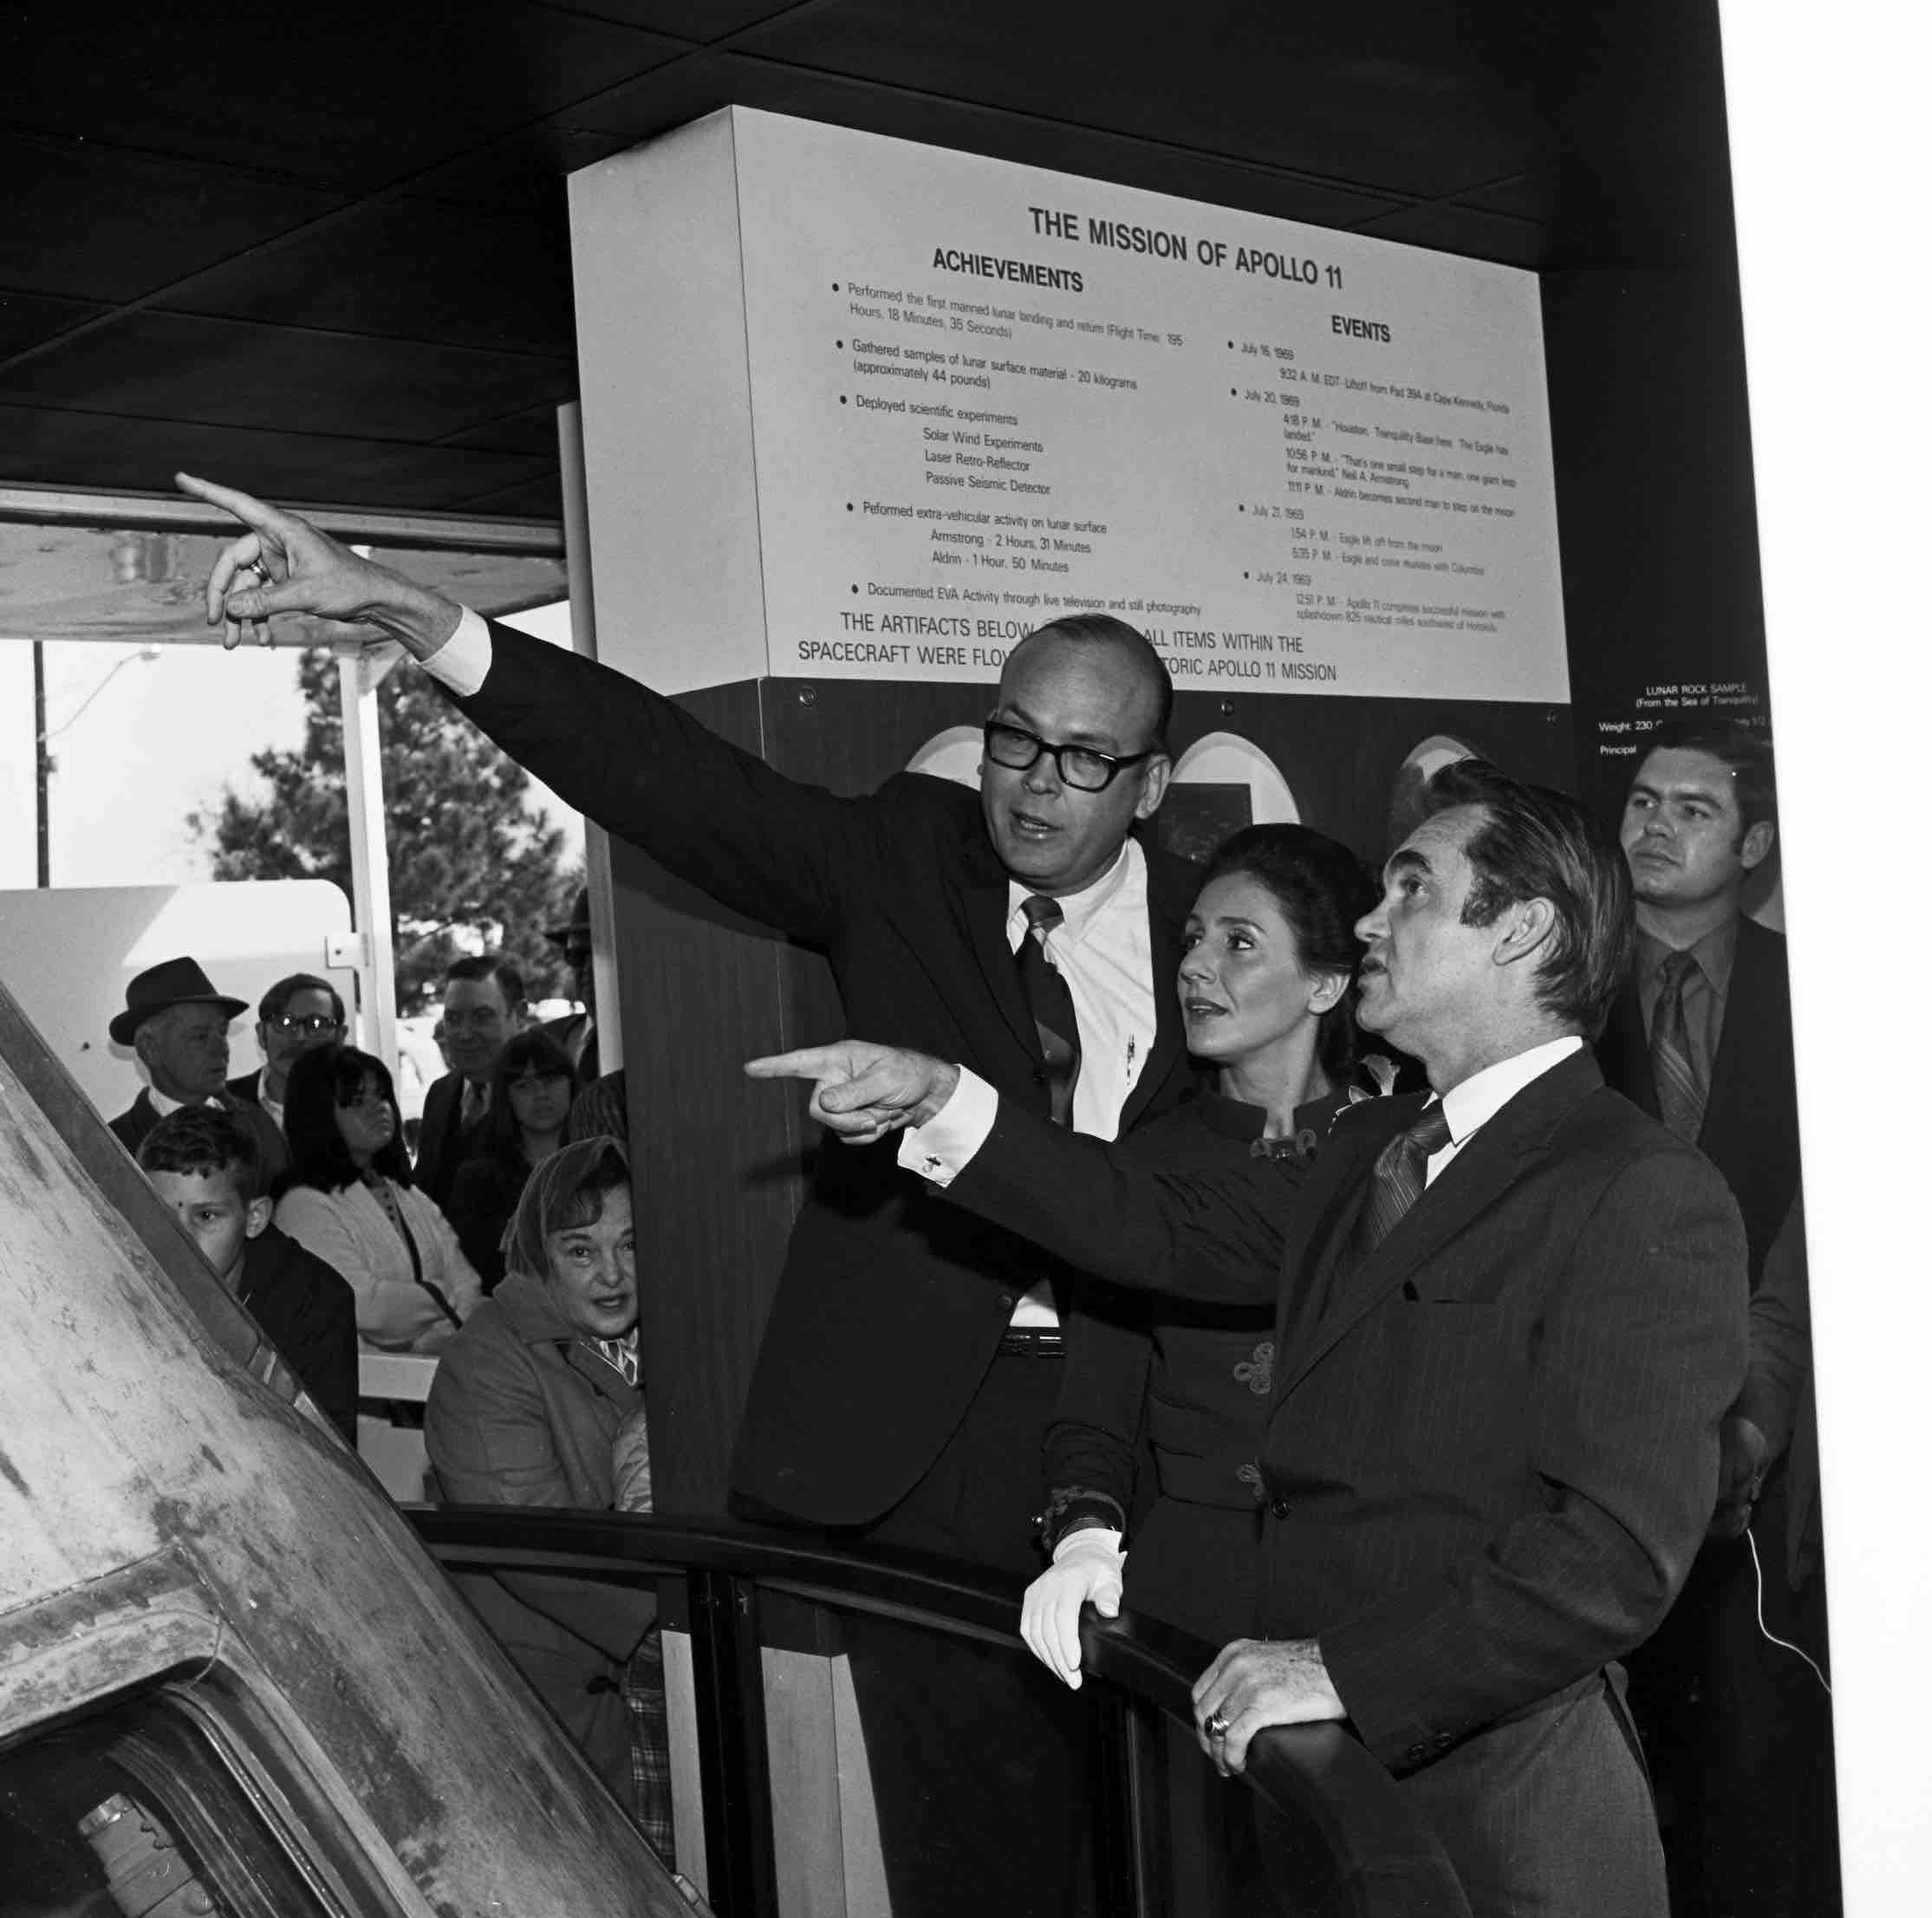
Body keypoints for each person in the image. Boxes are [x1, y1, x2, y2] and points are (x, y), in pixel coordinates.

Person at [184, 471, 1200, 1918]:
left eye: (1081, 759)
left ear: (1152, 781)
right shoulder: (904, 866)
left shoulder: (1230, 926)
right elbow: (667, 776)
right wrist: (411, 612)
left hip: (1153, 1423)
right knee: (972, 1852)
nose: (1032, 786)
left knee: (1175, 1828)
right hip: (933, 1430)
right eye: (1010, 741)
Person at [753, 760, 1751, 1918]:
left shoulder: (1637, 1187)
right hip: (1316, 1783)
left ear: (1523, 930)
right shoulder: (1362, 1146)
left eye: (1414, 891)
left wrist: (1338, 1671)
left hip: (1500, 1817)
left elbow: (1613, 1558)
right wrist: (942, 1099)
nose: (1373, 919)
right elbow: (1147, 1221)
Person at [1022, 823, 1383, 1684]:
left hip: (1370, 1584)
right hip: (1196, 1584)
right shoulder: (1143, 1166)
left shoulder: (1402, 1146)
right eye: (1192, 939)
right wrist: (1081, 1541)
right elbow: (1096, 1407)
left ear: (1327, 982)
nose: (1194, 966)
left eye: (1240, 943)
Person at [1596, 718, 1831, 1916]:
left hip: (1769, 1421)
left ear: (1756, 842)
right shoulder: (1564, 990)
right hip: (1592, 1415)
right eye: (1641, 800)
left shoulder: (1822, 994)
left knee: (1754, 1752)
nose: (1654, 823)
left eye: (1690, 807)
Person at [424, 1138, 667, 1856]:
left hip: (646, 1671)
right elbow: (533, 1546)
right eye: (581, 1251)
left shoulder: (674, 1329)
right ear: (540, 1252)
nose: (614, 1274)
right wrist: (682, 1614)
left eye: (630, 1243)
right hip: (554, 1691)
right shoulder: (487, 1359)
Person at [137, 1104, 357, 1441]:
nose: (179, 1240)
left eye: (206, 1216)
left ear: (255, 1218)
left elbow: (329, 1463)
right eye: (159, 1213)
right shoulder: (120, 1272)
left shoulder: (315, 1301)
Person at [275, 1044, 483, 1353]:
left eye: (382, 1095)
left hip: (432, 1379)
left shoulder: (407, 1193)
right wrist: (439, 1294)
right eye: (358, 1101)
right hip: (361, 1392)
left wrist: (425, 1330)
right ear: (318, 1115)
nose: (379, 1108)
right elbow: (365, 1308)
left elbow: (470, 1287)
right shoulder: (303, 1205)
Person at [107, 955, 288, 1188]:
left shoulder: (257, 1124)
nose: (221, 1048)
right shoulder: (113, 1146)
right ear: (149, 1048)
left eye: (222, 1032)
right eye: (200, 1037)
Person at [446, 1028, 578, 1292]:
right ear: (506, 1097)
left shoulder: (600, 1166)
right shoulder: (477, 1182)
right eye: (524, 1085)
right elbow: (474, 1277)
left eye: (550, 1079)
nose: (540, 1093)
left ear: (571, 1084)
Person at [413, 955, 526, 1213]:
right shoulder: (440, 1095)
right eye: (452, 1019)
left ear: (519, 1016)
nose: (464, 1034)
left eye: (481, 1017)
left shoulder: (544, 1100)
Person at [226, 972, 347, 1135]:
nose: (300, 1037)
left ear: (340, 1037)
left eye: (317, 1024)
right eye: (285, 1022)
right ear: (262, 1035)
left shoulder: (360, 1105)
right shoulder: (222, 1105)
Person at [541, 888, 600, 1083]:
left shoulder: (657, 1044)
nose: (588, 968)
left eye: (601, 954)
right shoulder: (544, 1042)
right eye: (577, 955)